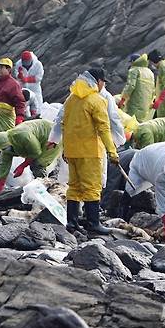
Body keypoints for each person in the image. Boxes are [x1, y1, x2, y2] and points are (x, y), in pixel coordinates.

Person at [56, 68, 117, 234]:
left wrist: (65, 148)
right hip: (90, 151)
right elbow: (104, 128)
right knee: (92, 187)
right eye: (103, 81)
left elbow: (64, 125)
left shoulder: (71, 100)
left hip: (72, 151)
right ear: (97, 81)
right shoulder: (96, 100)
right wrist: (112, 152)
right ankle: (93, 223)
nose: (103, 85)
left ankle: (72, 222)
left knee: (74, 187)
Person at [120, 142, 165, 239]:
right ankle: (122, 217)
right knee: (130, 190)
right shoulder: (161, 176)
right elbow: (163, 202)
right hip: (143, 160)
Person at [0, 119, 61, 194]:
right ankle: (38, 189)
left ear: (7, 142)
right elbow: (3, 165)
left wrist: (22, 166)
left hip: (52, 137)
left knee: (38, 165)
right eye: (2, 149)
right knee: (34, 164)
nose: (4, 150)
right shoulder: (6, 146)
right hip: (39, 140)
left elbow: (36, 152)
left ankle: (44, 191)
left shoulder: (21, 135)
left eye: (4, 148)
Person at [118, 53, 154, 122]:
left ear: (133, 62)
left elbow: (130, 86)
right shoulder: (149, 72)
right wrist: (151, 102)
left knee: (130, 124)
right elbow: (153, 89)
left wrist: (123, 99)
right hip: (146, 105)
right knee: (140, 124)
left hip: (134, 105)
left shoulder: (134, 70)